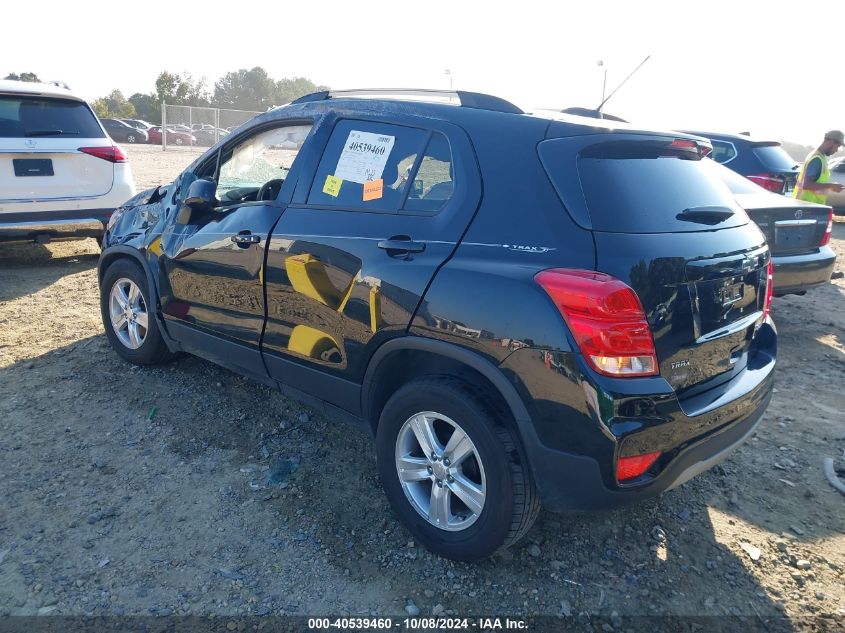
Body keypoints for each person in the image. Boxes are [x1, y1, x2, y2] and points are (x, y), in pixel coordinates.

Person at [794, 130, 845, 204]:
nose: (837, 150)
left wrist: (830, 186)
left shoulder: (820, 157)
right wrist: (831, 186)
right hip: (807, 206)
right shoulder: (817, 159)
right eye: (837, 146)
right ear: (831, 142)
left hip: (808, 206)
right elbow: (806, 184)